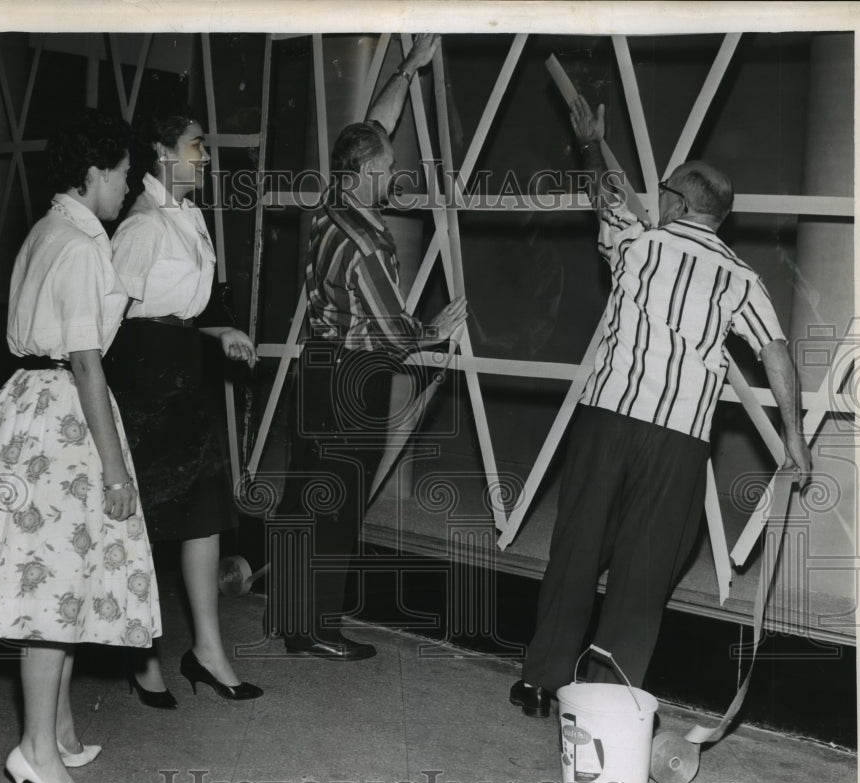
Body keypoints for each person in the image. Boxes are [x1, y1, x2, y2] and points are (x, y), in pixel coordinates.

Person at [509, 95, 813, 718]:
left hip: (608, 420)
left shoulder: (637, 245)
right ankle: (605, 702)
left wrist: (592, 142)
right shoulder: (742, 279)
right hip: (678, 440)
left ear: (676, 202)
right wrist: (795, 437)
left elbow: (605, 195)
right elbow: (777, 355)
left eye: (665, 191)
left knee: (577, 549)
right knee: (646, 572)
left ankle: (541, 681)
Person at [0, 108, 160, 783]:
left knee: (58, 579)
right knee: (52, 594)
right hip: (62, 417)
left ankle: (58, 731)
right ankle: (36, 750)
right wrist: (117, 470)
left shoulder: (50, 228)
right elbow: (89, 364)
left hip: (28, 408)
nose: (128, 186)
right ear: (95, 171)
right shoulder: (79, 245)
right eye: (125, 173)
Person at [267, 33, 469, 660]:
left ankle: (291, 619)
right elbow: (390, 328)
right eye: (385, 170)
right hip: (357, 375)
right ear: (367, 173)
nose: (391, 177)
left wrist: (407, 71)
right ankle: (322, 631)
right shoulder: (370, 242)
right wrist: (436, 329)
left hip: (317, 366)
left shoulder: (329, 205)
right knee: (341, 500)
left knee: (307, 493)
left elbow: (374, 125)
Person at [107, 108, 261, 708]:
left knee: (203, 517)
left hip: (184, 375)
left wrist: (214, 334)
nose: (205, 156)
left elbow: (179, 315)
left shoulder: (188, 216)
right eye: (196, 145)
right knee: (144, 526)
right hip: (144, 383)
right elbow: (114, 324)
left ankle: (208, 652)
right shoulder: (141, 227)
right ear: (162, 152)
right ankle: (142, 657)